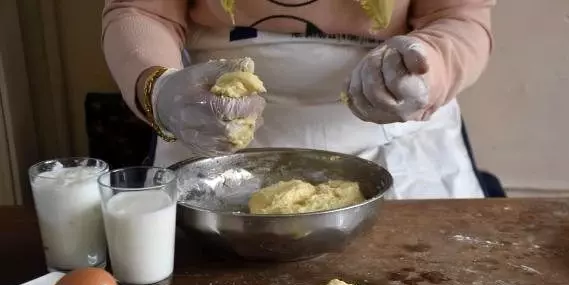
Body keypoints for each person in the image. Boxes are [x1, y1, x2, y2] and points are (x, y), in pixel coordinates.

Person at [102, 0, 496, 199]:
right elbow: (140, 9)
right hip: (210, 123)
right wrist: (160, 88)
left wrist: (428, 67)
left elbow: (458, 16)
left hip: (395, 138)